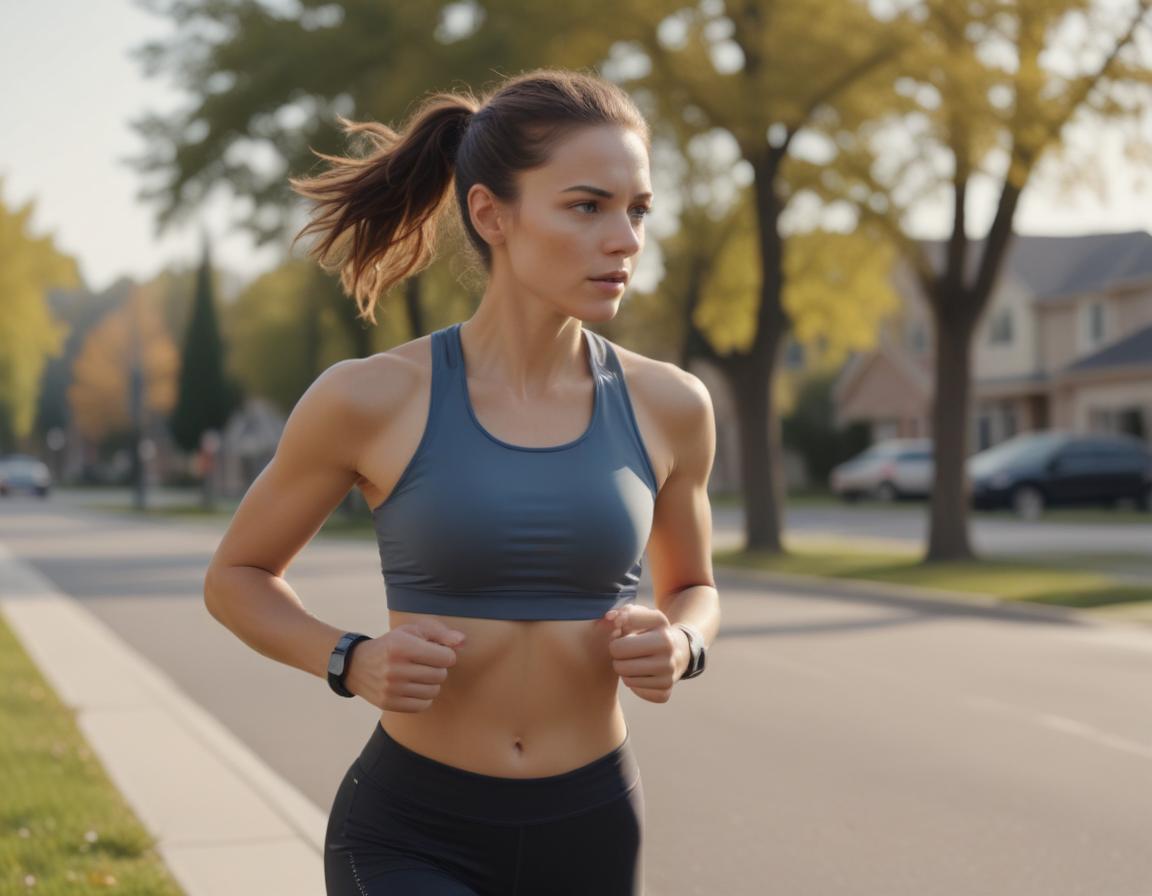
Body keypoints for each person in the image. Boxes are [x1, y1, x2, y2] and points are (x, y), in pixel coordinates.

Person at [203, 67, 719, 896]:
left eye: (638, 209)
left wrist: (685, 643)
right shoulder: (370, 398)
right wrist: (350, 659)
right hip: (413, 829)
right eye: (587, 206)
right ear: (491, 213)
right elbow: (235, 578)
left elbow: (693, 585)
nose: (624, 238)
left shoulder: (673, 406)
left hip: (590, 823)